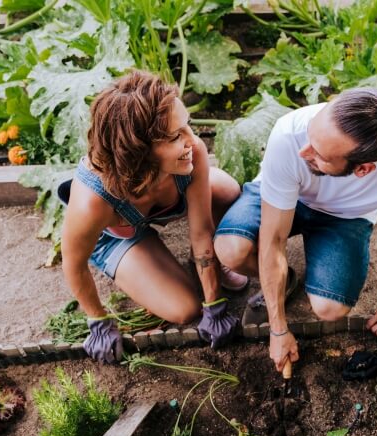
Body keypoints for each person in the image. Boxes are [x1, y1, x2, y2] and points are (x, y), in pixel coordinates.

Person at [214, 86, 377, 373]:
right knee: (231, 250)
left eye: (318, 154)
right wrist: (278, 329)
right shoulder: (290, 133)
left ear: (363, 169)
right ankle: (287, 280)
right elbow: (274, 240)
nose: (303, 151)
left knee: (329, 309)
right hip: (285, 197)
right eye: (310, 136)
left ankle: (307, 262)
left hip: (344, 217)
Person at [59, 70, 247, 363]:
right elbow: (73, 263)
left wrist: (215, 303)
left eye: (188, 126)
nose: (193, 140)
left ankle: (216, 266)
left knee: (226, 189)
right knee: (184, 309)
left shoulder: (192, 151)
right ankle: (138, 255)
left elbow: (200, 234)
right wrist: (98, 320)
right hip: (117, 233)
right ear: (139, 151)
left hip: (164, 197)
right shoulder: (93, 200)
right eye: (175, 136)